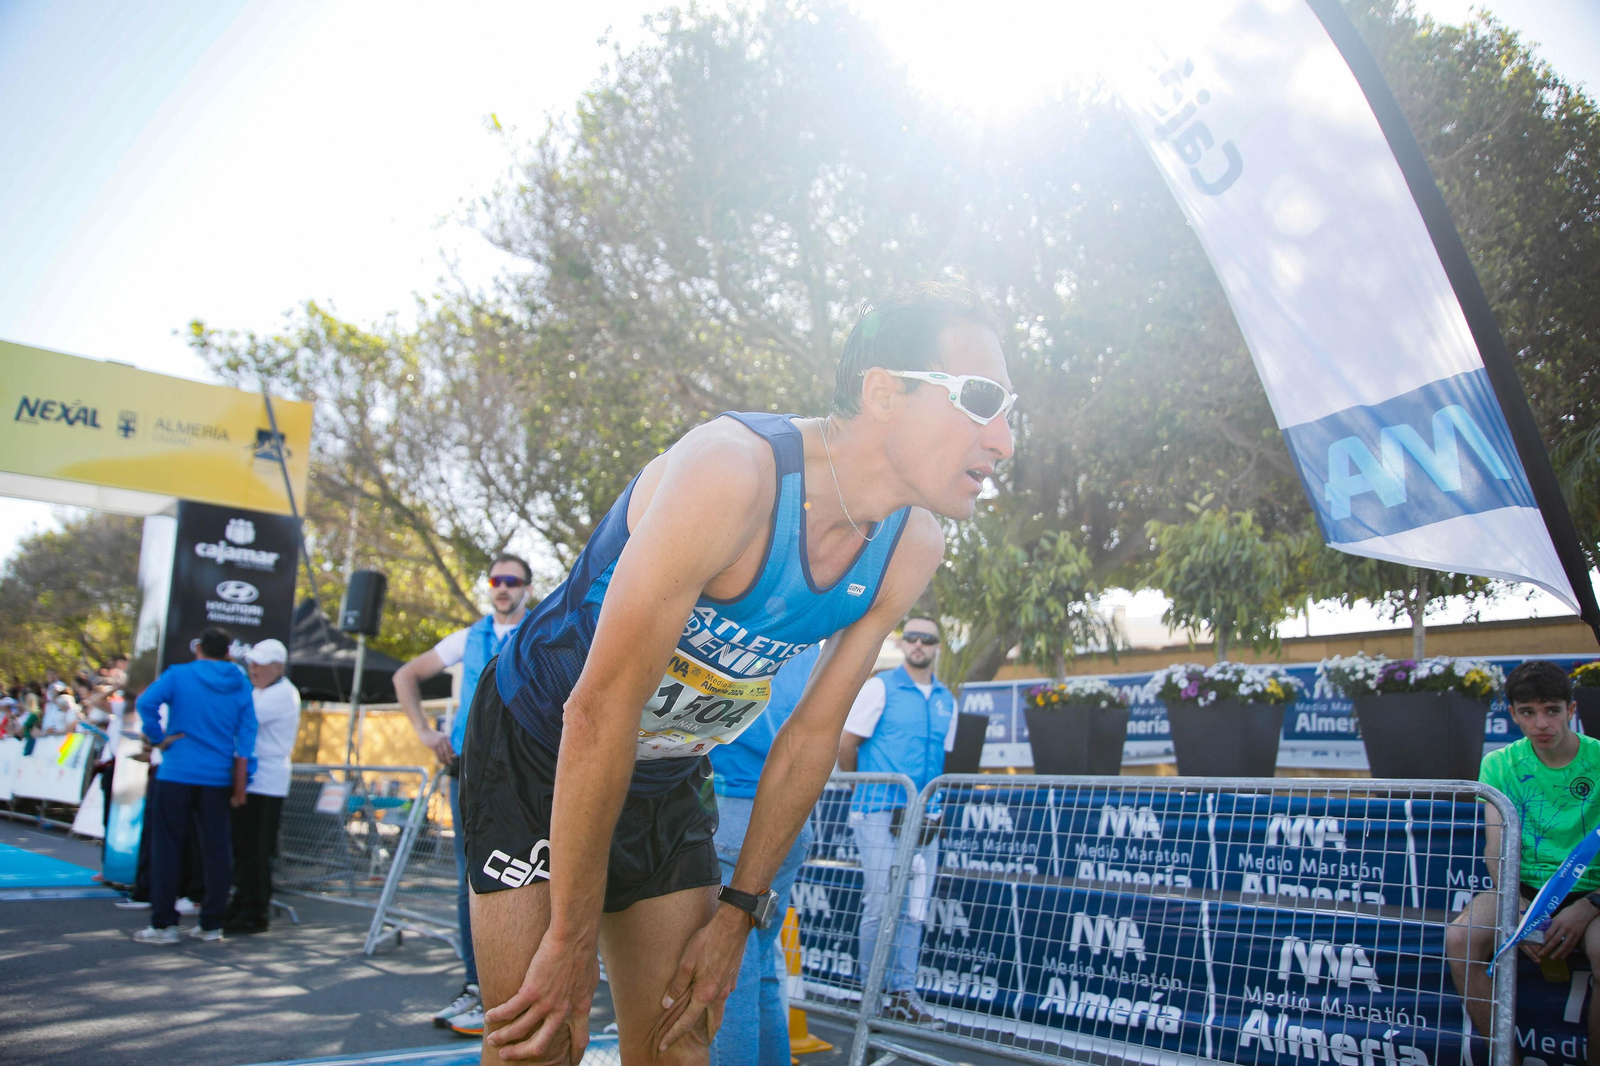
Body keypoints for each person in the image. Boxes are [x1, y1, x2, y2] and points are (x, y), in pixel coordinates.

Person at [466, 281, 1013, 1065]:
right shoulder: (733, 474)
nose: (1004, 440)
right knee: (538, 1044)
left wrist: (737, 915)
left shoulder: (912, 545)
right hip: (539, 747)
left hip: (666, 772)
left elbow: (812, 736)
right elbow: (597, 712)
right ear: (884, 392)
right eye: (981, 400)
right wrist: (570, 936)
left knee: (679, 1044)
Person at [393, 553, 534, 1035]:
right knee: (467, 880)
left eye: (512, 581)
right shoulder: (467, 637)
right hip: (468, 771)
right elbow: (404, 675)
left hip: (526, 774)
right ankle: (478, 987)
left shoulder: (544, 631)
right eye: (497, 580)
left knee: (528, 877)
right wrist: (424, 733)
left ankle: (518, 990)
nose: (503, 587)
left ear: (527, 590)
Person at [1447, 660, 1600, 1061]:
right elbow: (1496, 849)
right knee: (1460, 939)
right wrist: (1520, 910)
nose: (1541, 723)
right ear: (1513, 714)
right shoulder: (1499, 764)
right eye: (1528, 713)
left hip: (1594, 895)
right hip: (1523, 890)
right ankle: (1506, 1060)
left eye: (1551, 710)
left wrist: (1589, 906)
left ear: (1571, 710)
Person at [836, 613, 958, 1026]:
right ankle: (871, 993)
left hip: (925, 820)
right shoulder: (879, 687)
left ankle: (903, 993)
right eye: (912, 637)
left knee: (914, 908)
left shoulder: (946, 699)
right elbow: (846, 745)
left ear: (937, 647)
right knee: (881, 903)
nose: (920, 644)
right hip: (877, 812)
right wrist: (864, 790)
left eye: (928, 639)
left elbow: (945, 756)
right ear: (903, 644)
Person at [708, 642, 822, 1066]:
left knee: (724, 975)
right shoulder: (810, 639)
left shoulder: (733, 625)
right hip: (789, 818)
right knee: (759, 967)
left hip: (732, 808)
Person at [131, 626, 257, 944]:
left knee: (168, 848)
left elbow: (146, 703)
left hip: (177, 773)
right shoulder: (240, 681)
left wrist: (159, 739)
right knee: (217, 850)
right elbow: (248, 729)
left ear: (198, 647)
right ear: (228, 652)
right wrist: (245, 772)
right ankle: (211, 923)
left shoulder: (179, 675)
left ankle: (164, 925)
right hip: (217, 777)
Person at [226, 638, 302, 934]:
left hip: (266, 780)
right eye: (251, 662)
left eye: (259, 664)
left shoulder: (282, 694)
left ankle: (254, 911)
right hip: (254, 778)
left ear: (276, 667)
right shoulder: (261, 691)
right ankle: (242, 902)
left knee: (257, 850)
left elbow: (242, 722)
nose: (252, 668)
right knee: (245, 848)